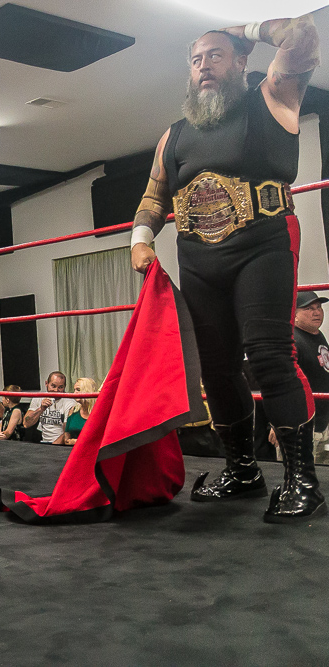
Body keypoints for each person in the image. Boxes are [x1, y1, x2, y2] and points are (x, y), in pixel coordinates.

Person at [129, 16, 324, 522]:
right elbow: (154, 195)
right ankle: (242, 469)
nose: (203, 66)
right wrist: (141, 238)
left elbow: (303, 36)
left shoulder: (272, 97)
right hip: (198, 257)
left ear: (241, 62)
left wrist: (249, 27)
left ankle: (302, 480)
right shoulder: (173, 136)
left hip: (263, 244)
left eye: (215, 55)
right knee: (215, 366)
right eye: (196, 60)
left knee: (270, 355)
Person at [291, 291, 329, 463]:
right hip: (302, 426)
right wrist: (278, 424)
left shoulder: (317, 334)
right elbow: (283, 382)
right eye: (308, 308)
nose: (317, 312)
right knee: (299, 472)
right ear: (295, 314)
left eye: (319, 307)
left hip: (322, 423)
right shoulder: (293, 340)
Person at [22, 372, 77, 444]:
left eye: (60, 387)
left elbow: (66, 433)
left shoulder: (69, 402)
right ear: (46, 383)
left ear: (64, 387)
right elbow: (26, 424)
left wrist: (52, 447)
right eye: (53, 386)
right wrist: (41, 409)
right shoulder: (38, 398)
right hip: (43, 442)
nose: (56, 390)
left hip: (60, 444)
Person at [58, 378, 96, 446]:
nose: (75, 393)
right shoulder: (73, 410)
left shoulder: (97, 411)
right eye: (74, 390)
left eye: (78, 390)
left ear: (87, 390)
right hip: (72, 449)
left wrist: (78, 442)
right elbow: (66, 439)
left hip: (92, 449)